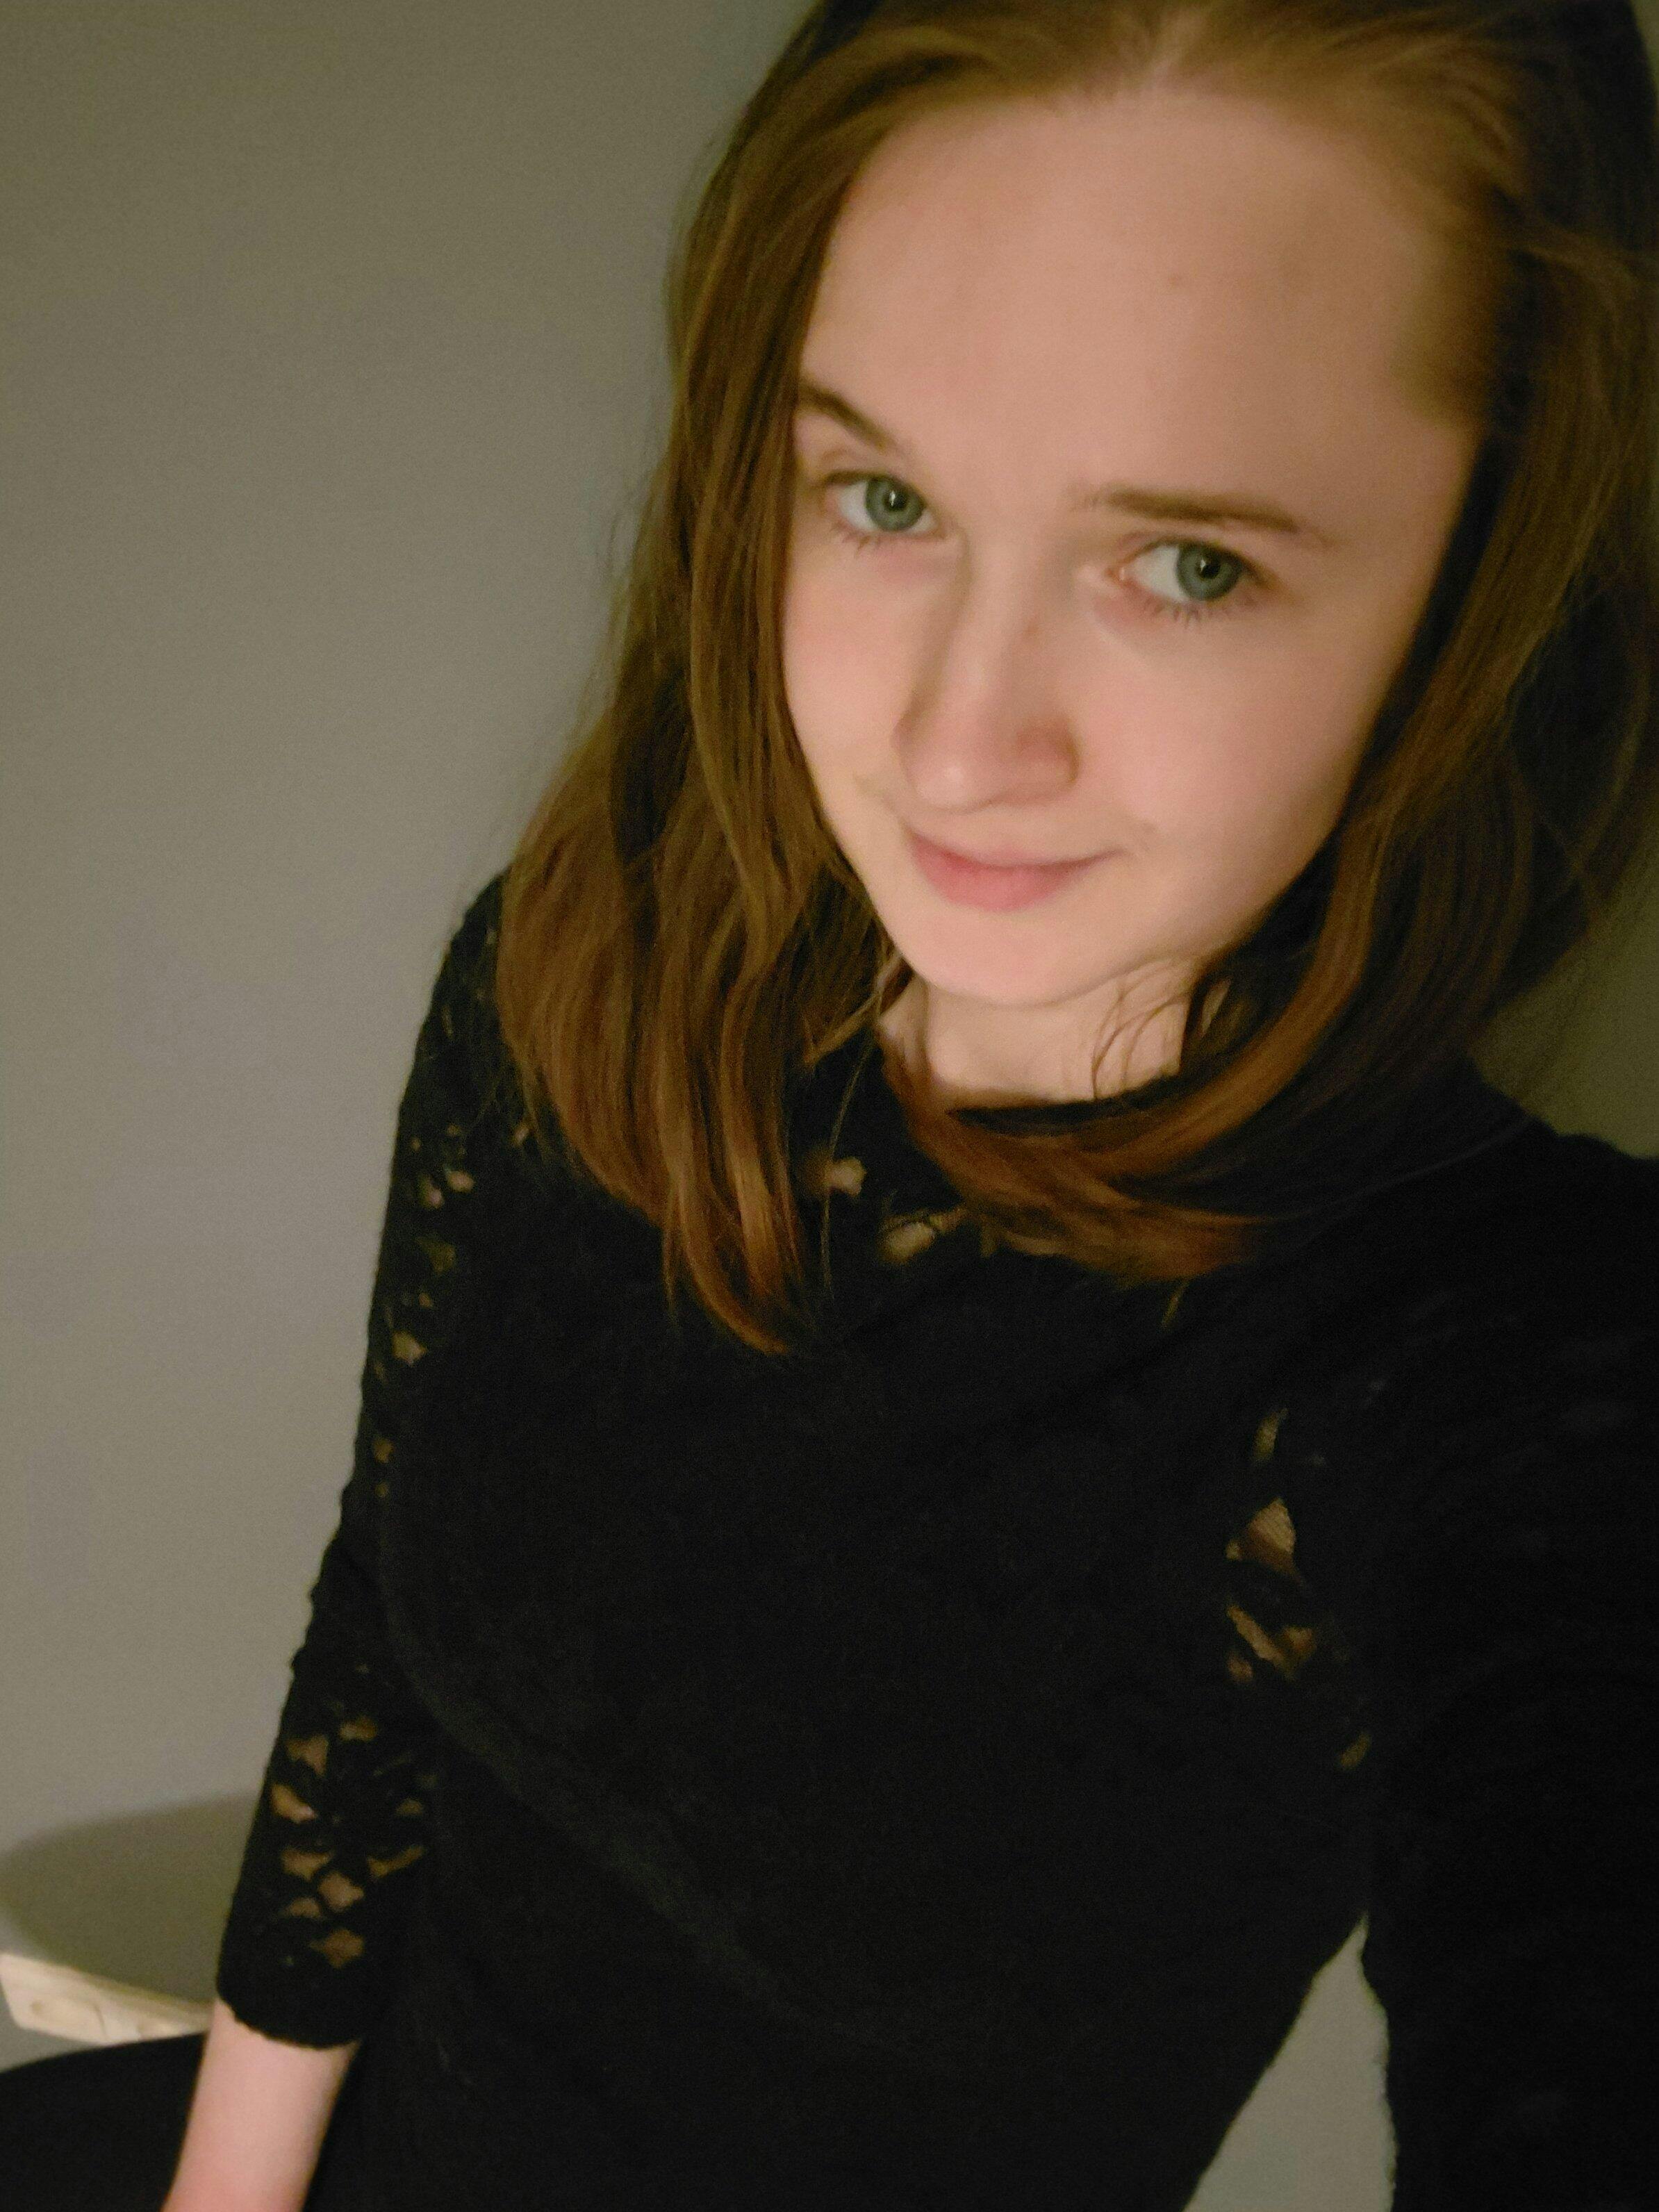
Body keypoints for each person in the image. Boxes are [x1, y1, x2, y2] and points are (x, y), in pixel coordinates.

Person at [5, 0, 1656, 2206]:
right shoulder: (581, 975)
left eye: (1188, 563)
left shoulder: (1486, 1347)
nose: (959, 743)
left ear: (1478, 581)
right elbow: (381, 1638)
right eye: (882, 499)